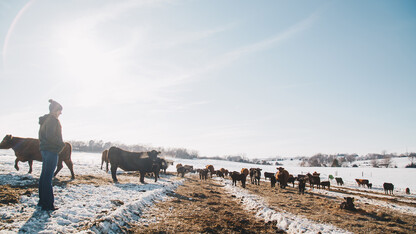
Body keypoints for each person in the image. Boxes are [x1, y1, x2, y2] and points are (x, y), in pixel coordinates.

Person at [38, 99, 65, 211]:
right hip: (51, 150)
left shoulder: (45, 120)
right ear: (55, 110)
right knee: (48, 177)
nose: (61, 113)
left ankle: (42, 201)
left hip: (45, 150)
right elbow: (51, 136)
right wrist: (61, 144)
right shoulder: (53, 120)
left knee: (44, 176)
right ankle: (48, 204)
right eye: (60, 110)